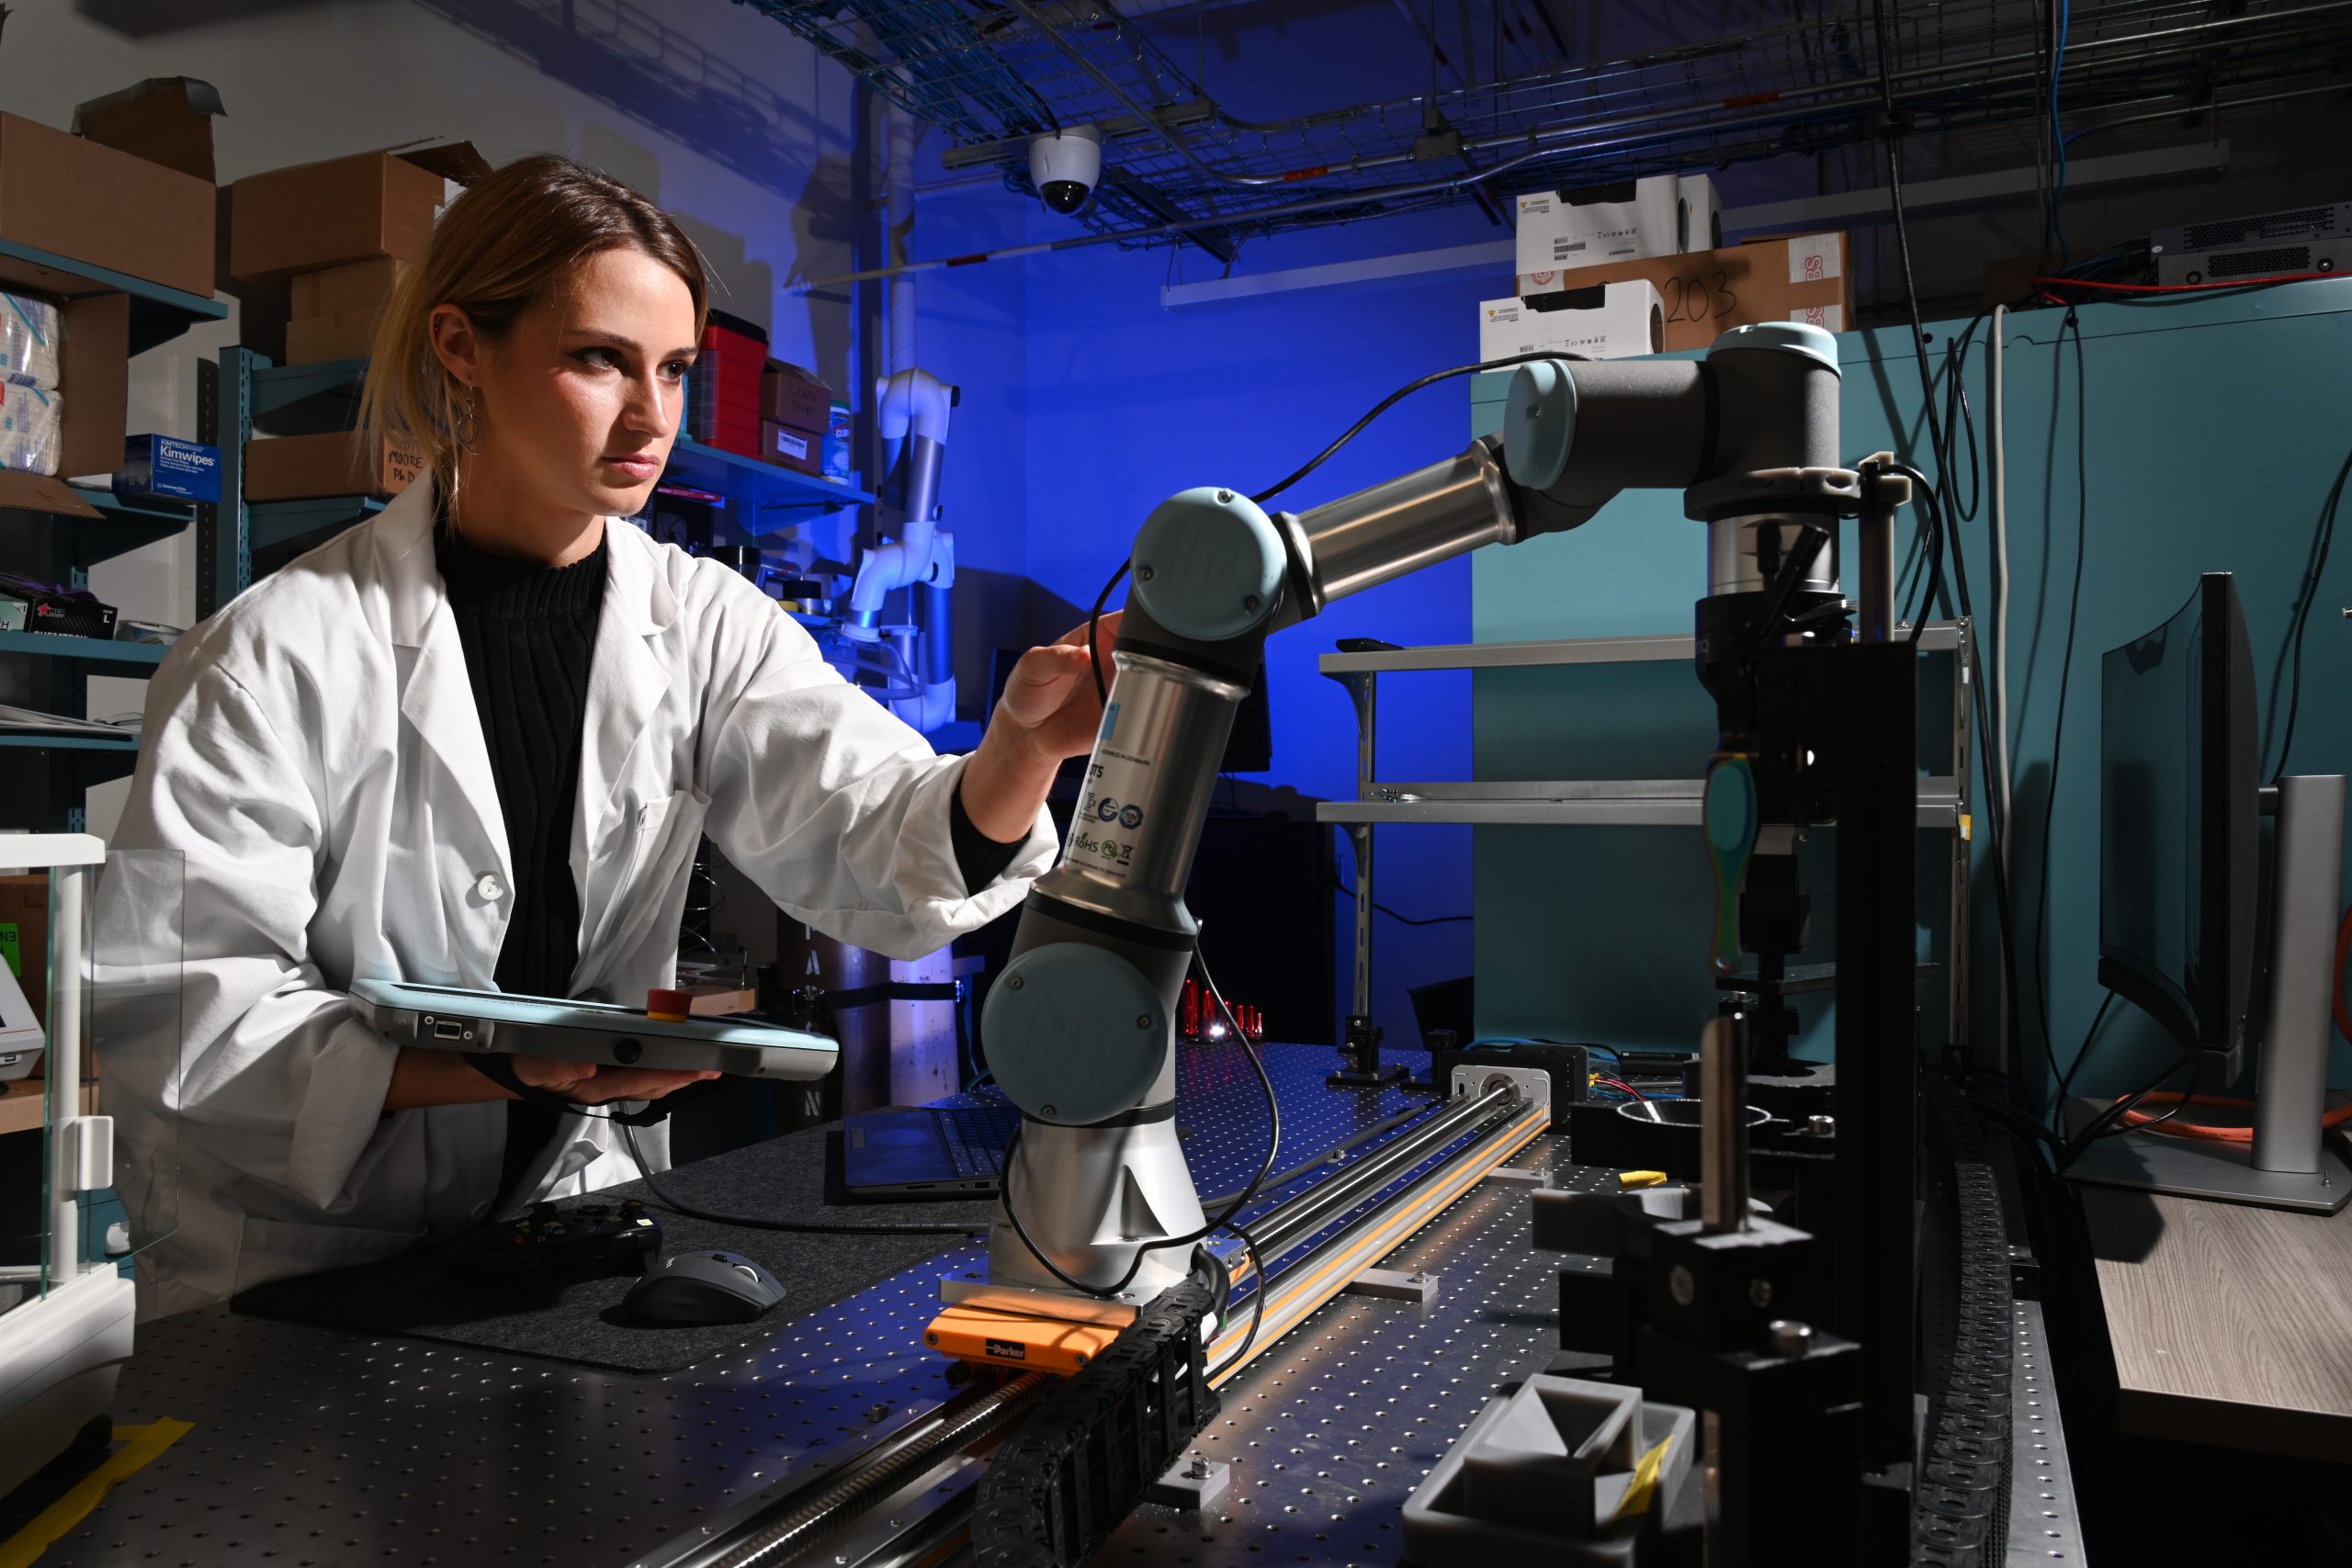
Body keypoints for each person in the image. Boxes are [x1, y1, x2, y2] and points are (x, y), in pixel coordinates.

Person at [107, 154, 1110, 1317]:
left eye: (674, 370)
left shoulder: (701, 622)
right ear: (459, 346)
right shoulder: (271, 655)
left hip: (560, 1229)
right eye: (599, 360)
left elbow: (865, 829)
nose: (652, 418)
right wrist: (499, 1066)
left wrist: (1023, 750)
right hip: (305, 1262)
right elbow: (190, 1018)